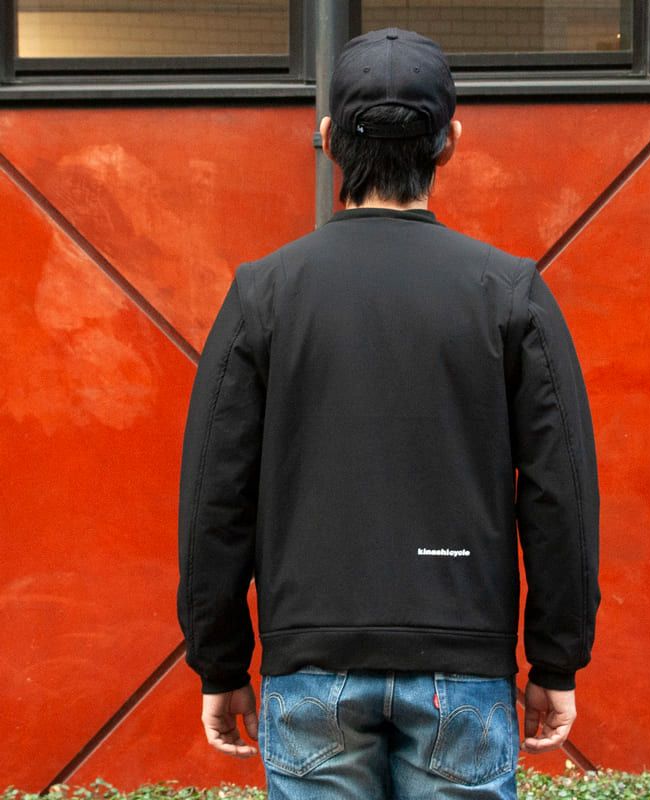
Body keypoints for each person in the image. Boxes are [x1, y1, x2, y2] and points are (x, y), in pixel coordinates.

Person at [177, 27, 600, 800]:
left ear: (329, 139)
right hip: (463, 667)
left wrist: (219, 661)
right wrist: (556, 659)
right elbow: (559, 495)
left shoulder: (263, 294)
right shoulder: (509, 294)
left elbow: (215, 496)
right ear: (450, 142)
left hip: (310, 666)